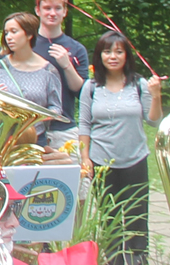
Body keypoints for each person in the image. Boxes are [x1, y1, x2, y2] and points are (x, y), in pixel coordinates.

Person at [79, 31, 162, 265]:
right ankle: (114, 260)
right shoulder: (91, 87)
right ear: (99, 55)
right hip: (102, 162)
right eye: (107, 51)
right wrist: (85, 157)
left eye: (118, 51)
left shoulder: (139, 84)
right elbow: (84, 124)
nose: (113, 56)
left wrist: (156, 96)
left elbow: (153, 120)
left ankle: (138, 259)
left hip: (135, 160)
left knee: (137, 217)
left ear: (126, 55)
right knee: (109, 219)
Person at [0, 12, 62, 147]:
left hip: (36, 138)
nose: (9, 37)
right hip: (3, 138)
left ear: (28, 34)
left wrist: (37, 116)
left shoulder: (48, 71)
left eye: (14, 32)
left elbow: (56, 107)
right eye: (6, 33)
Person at [34, 0, 88, 151]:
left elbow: (81, 92)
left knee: (68, 176)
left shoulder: (77, 49)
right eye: (47, 8)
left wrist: (67, 65)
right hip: (31, 129)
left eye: (58, 8)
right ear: (38, 10)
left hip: (64, 129)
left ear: (65, 12)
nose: (52, 13)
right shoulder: (26, 45)